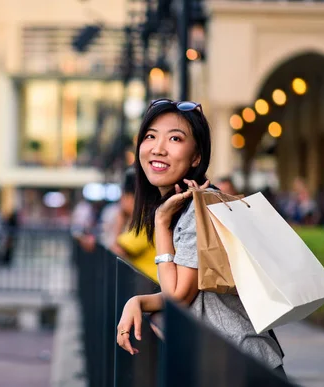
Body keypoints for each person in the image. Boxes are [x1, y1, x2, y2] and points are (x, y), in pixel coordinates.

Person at [115, 99, 285, 377]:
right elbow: (185, 290)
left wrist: (160, 222)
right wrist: (138, 301)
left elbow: (178, 296)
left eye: (175, 138)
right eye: (150, 136)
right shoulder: (188, 207)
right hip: (229, 359)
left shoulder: (195, 210)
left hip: (239, 364)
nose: (158, 148)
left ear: (196, 157)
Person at [110, 168, 157, 282]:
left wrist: (120, 221)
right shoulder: (149, 215)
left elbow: (116, 251)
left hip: (152, 288)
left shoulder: (146, 218)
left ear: (131, 197)